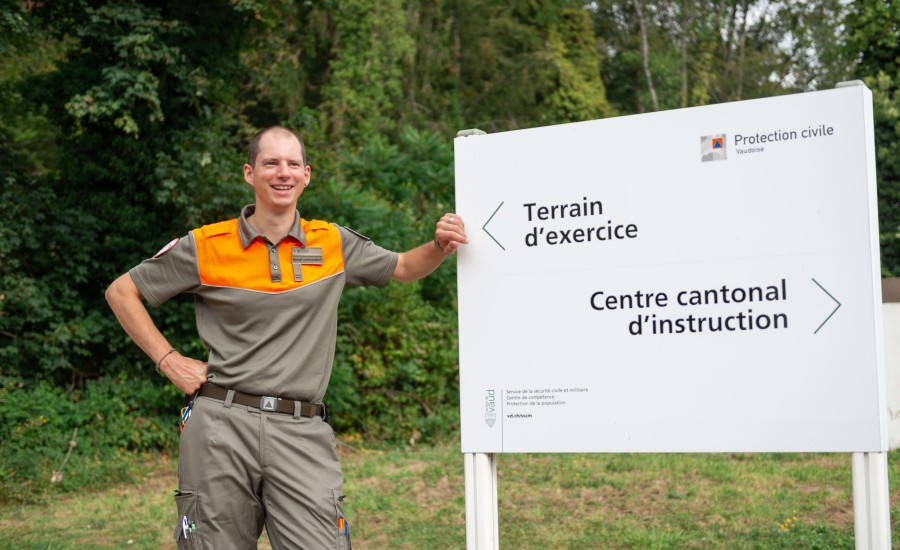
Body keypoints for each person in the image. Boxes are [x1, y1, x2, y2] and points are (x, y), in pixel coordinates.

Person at [105, 125, 467, 549]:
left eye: (293, 163)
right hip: (221, 426)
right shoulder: (207, 245)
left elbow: (403, 266)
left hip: (302, 430)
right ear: (249, 173)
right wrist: (168, 360)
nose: (283, 173)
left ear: (307, 174)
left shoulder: (332, 242)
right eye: (271, 163)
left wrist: (439, 246)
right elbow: (122, 291)